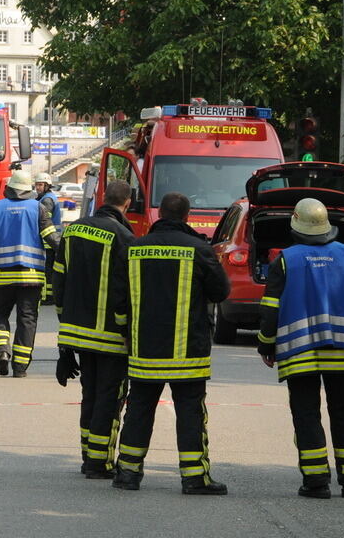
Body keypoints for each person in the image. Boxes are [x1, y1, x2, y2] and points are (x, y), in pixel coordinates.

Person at [257, 197, 344, 499]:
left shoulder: (285, 260)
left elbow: (271, 309)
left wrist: (266, 345)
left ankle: (316, 482)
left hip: (300, 353)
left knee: (306, 414)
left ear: (295, 225)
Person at [113, 192, 230, 495]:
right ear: (186, 216)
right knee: (190, 414)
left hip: (144, 350)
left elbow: (119, 298)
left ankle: (127, 472)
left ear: (160, 214)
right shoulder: (199, 249)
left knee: (138, 410)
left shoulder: (135, 248)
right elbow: (221, 292)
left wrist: (126, 333)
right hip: (187, 351)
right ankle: (194, 478)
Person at [53, 180, 135, 479]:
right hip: (110, 335)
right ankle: (98, 463)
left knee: (89, 395)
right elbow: (124, 290)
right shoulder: (123, 236)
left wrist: (64, 329)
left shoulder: (73, 230)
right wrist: (127, 329)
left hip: (76, 331)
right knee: (108, 399)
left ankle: (88, 452)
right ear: (127, 202)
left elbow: (58, 278)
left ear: (103, 197)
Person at [0, 170, 60, 377]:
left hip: (2, 277)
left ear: (9, 188)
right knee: (27, 319)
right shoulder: (37, 208)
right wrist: (73, 256)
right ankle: (20, 368)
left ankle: (3, 351)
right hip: (32, 278)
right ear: (29, 189)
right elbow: (52, 239)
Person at [34, 172, 62, 306]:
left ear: (47, 186)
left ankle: (48, 296)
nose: (37, 187)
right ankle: (48, 295)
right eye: (36, 185)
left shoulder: (47, 200)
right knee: (48, 269)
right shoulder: (45, 198)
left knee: (47, 270)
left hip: (48, 241)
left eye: (40, 185)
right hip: (50, 240)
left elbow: (43, 220)